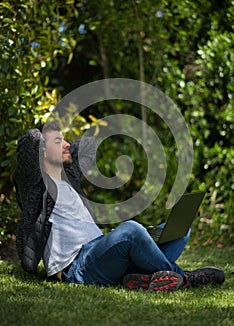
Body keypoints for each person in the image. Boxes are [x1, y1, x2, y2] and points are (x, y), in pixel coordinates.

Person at [13, 121, 225, 292]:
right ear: (41, 151)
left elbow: (88, 145)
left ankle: (144, 278)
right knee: (131, 229)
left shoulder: (69, 179)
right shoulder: (37, 187)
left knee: (180, 230)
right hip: (78, 267)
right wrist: (44, 132)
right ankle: (185, 277)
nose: (67, 144)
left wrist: (58, 140)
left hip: (100, 251)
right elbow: (31, 140)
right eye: (59, 141)